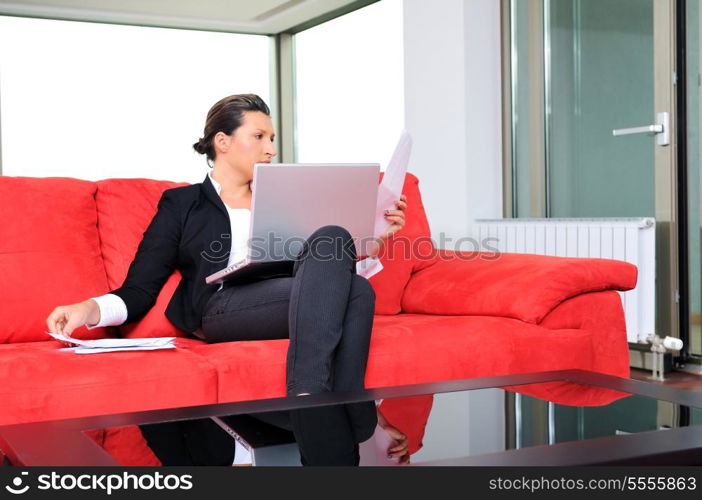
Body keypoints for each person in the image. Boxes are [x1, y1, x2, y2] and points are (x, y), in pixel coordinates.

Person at [45, 94, 410, 466]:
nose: (271, 149)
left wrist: (375, 240)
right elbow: (140, 287)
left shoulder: (289, 198)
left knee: (344, 259)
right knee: (353, 286)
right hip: (223, 306)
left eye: (272, 139)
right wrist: (90, 308)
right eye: (260, 137)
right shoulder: (183, 203)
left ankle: (343, 411)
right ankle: (315, 399)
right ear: (223, 142)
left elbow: (323, 277)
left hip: (293, 296)